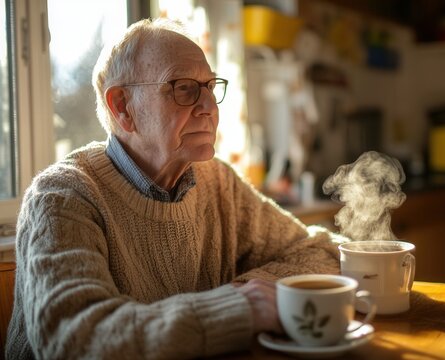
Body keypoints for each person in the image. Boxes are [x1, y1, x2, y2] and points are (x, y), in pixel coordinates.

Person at [6, 18, 341, 359]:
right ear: (122, 107)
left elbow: (320, 252)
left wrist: (243, 293)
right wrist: (238, 308)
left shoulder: (218, 182)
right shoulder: (61, 198)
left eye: (210, 86)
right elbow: (75, 341)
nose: (210, 107)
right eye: (184, 88)